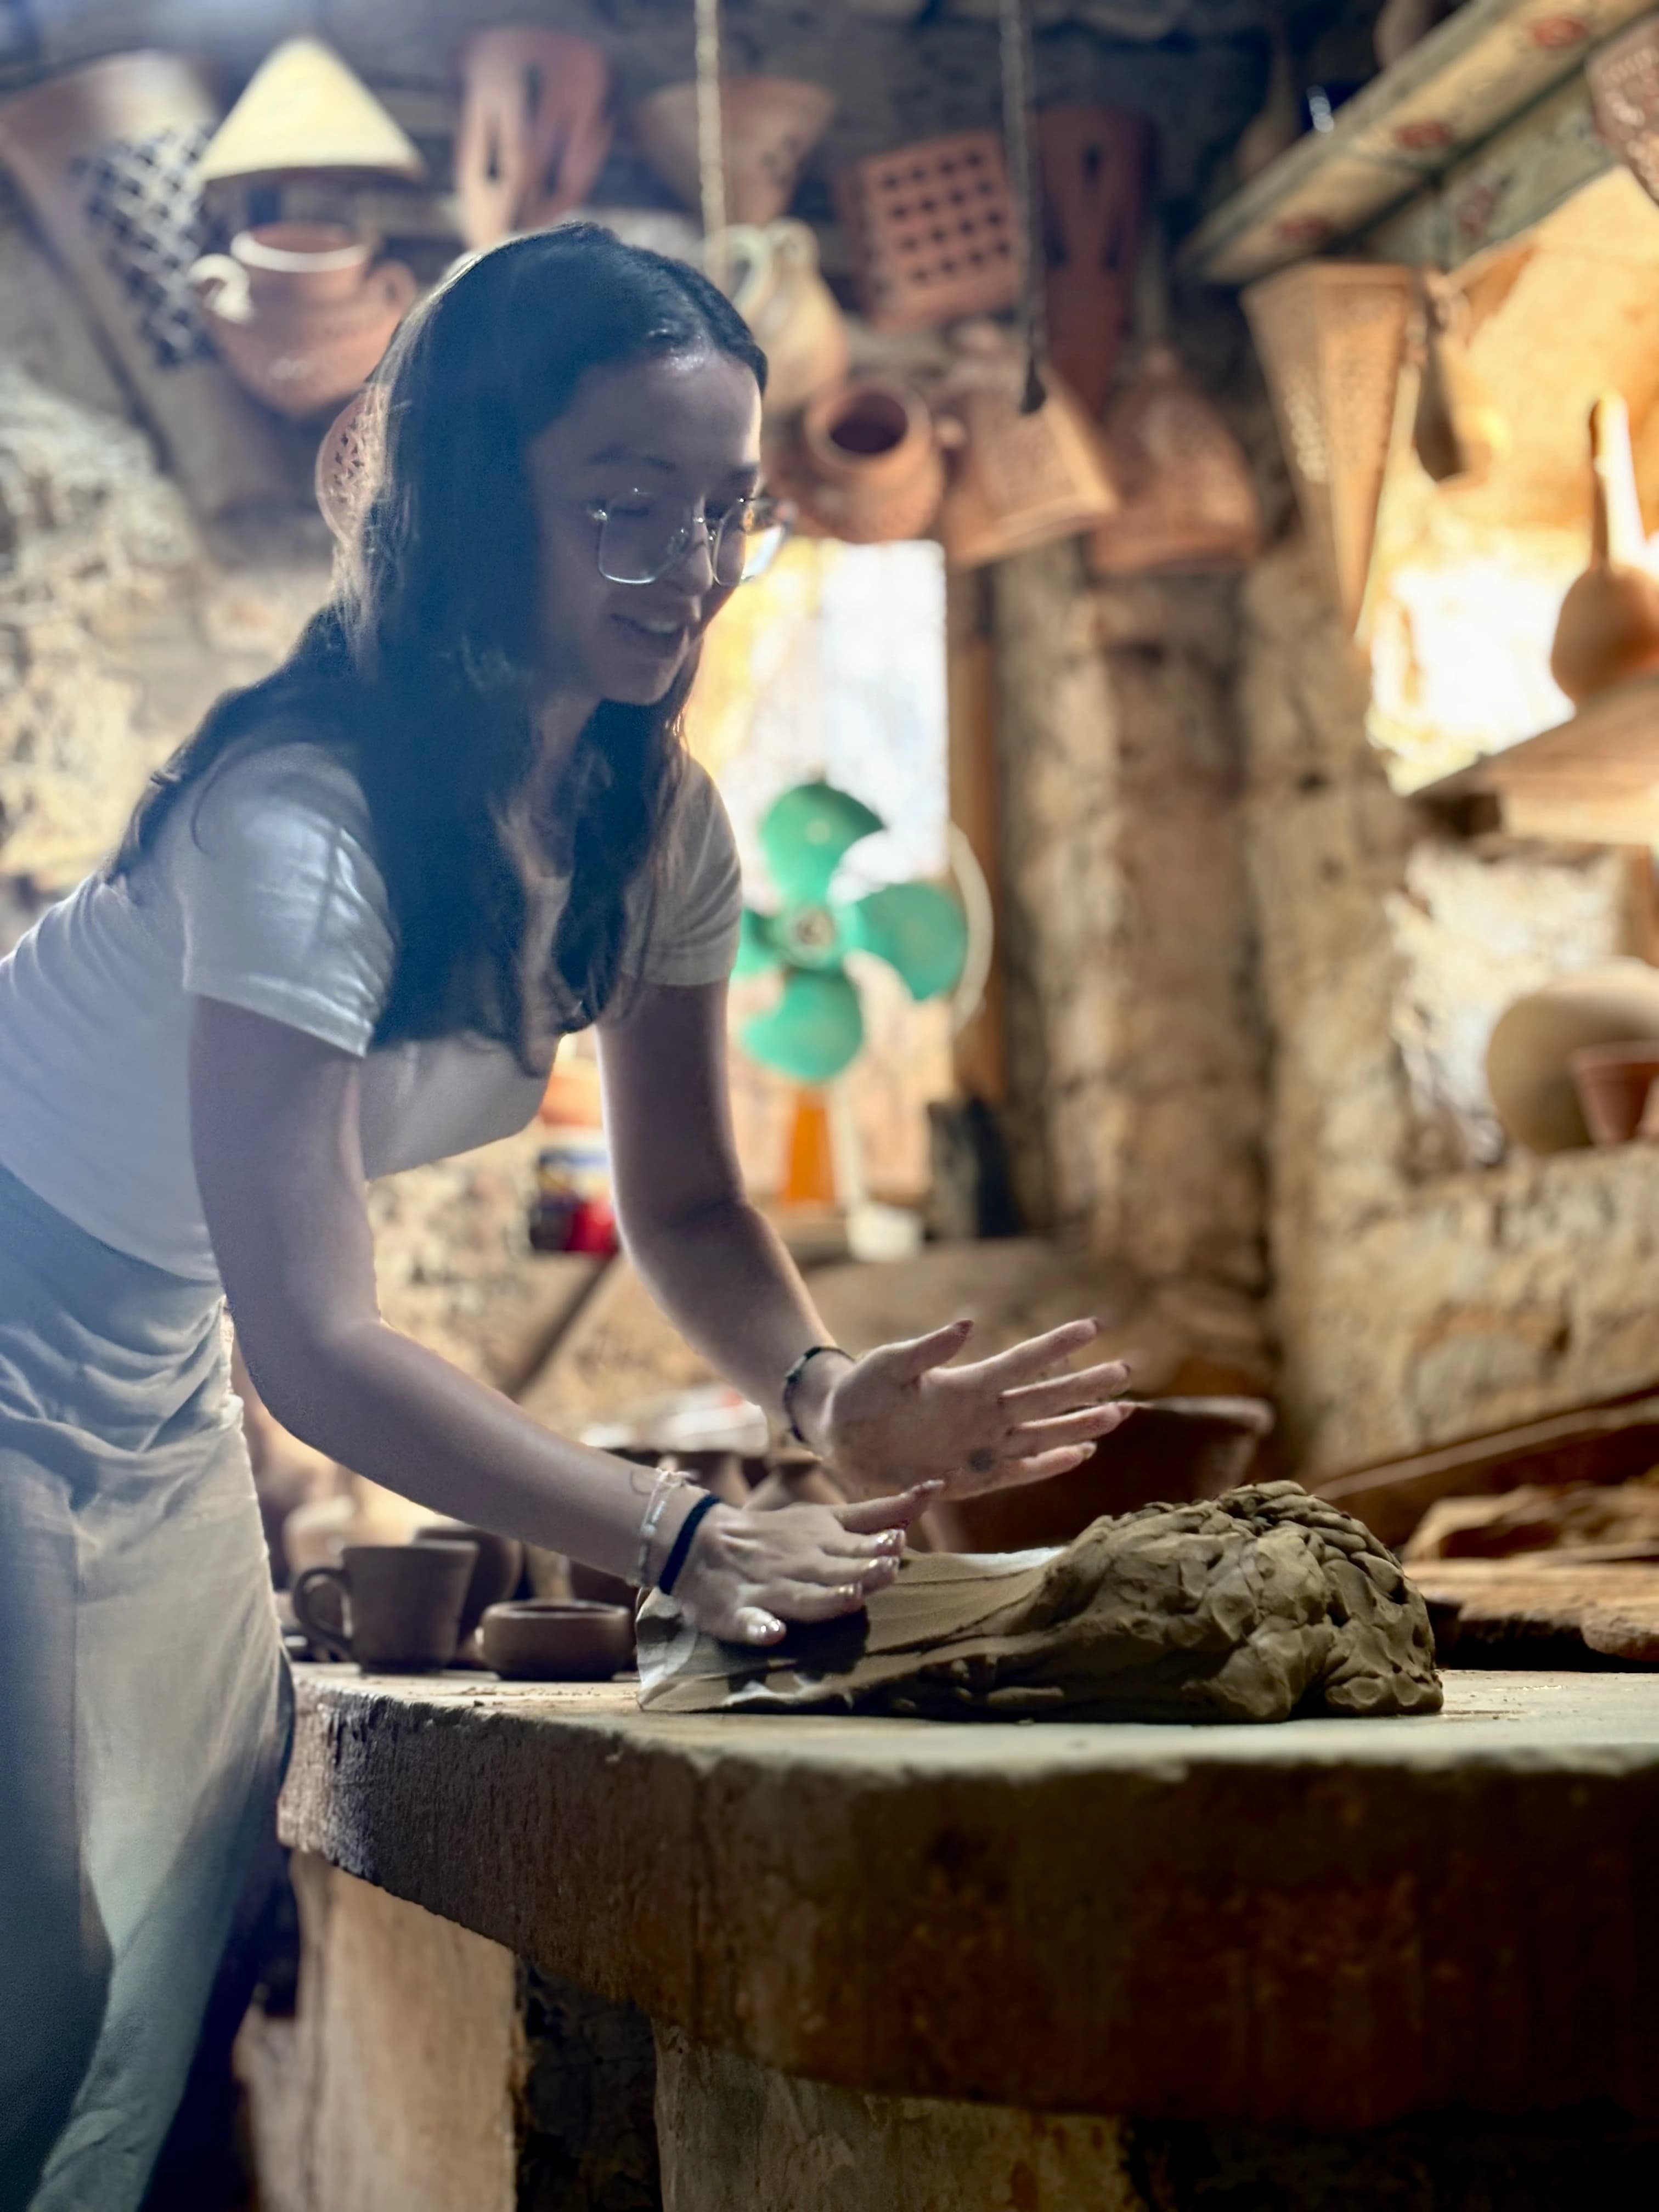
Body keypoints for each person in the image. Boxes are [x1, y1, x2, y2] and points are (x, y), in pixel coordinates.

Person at [0, 226, 1133, 2209]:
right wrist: (679, 1534)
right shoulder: (302, 822)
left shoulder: (650, 814)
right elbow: (321, 1342)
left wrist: (824, 1390)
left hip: (150, 1364)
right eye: (624, 509)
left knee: (158, 1950)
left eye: (725, 510)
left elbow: (688, 1200)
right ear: (460, 508)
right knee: (24, 1980)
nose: (687, 571)